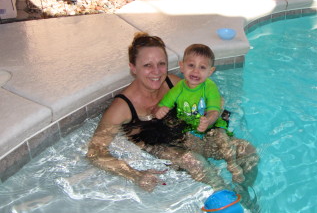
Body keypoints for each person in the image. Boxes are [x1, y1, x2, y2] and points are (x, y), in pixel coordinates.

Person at [87, 32, 258, 196]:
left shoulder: (172, 83)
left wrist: (210, 118)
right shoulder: (122, 107)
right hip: (159, 146)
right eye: (147, 65)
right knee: (194, 161)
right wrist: (135, 174)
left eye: (161, 64)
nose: (156, 72)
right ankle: (230, 200)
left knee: (246, 150)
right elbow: (95, 152)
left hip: (186, 136)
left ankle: (245, 192)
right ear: (133, 68)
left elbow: (213, 101)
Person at [155, 43, 245, 183]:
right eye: (191, 65)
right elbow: (162, 105)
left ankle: (232, 164)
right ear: (182, 66)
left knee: (221, 137)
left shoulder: (209, 87)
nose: (196, 71)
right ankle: (210, 169)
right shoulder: (178, 88)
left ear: (210, 71)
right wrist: (160, 110)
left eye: (202, 67)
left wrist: (208, 120)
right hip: (190, 126)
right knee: (190, 145)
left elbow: (214, 110)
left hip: (213, 124)